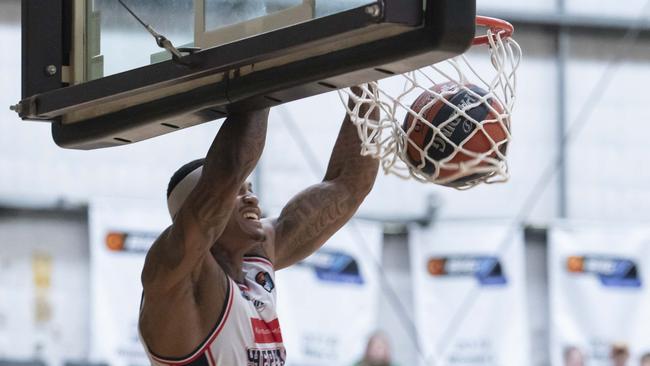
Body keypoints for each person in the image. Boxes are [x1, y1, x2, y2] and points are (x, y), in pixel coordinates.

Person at [138, 89, 379, 365]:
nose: (251, 198)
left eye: (249, 189)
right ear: (200, 211)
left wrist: (366, 84)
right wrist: (268, 71)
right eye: (236, 193)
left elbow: (349, 184)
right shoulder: (173, 276)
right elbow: (229, 168)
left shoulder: (259, 258)